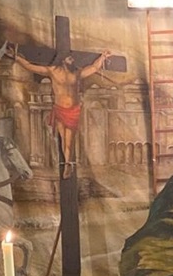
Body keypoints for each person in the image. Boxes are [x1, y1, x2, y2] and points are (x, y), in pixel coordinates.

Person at [9, 45, 112, 178]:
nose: (72, 60)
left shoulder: (76, 73)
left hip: (73, 110)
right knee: (63, 137)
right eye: (69, 58)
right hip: (59, 109)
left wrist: (103, 57)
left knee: (69, 139)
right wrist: (16, 58)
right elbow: (30, 66)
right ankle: (67, 162)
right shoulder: (52, 71)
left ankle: (68, 163)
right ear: (62, 59)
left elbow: (94, 68)